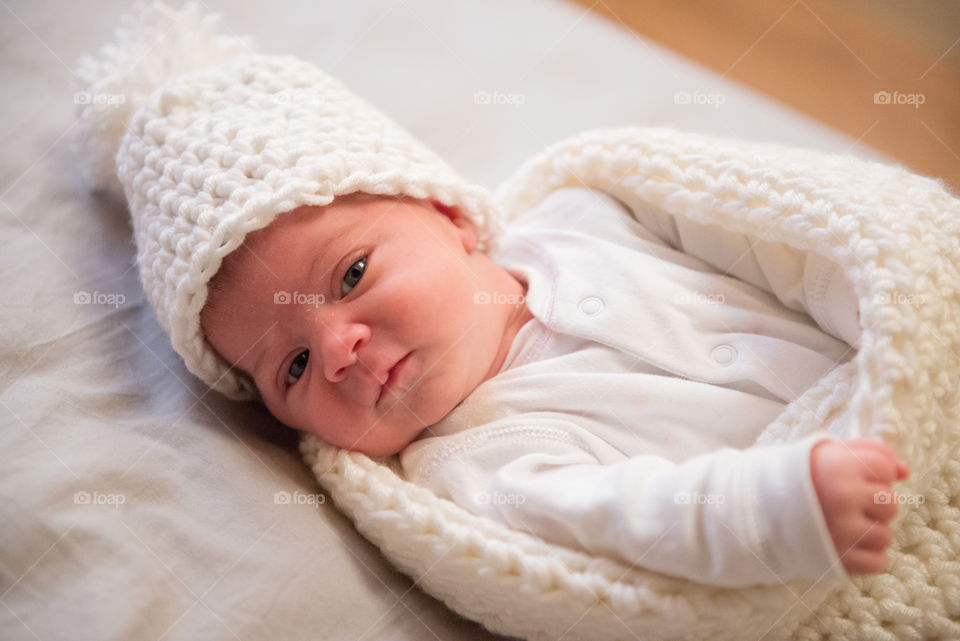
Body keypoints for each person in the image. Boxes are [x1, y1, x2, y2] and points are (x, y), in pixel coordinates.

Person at [73, 1, 909, 592]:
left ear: (449, 215)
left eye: (352, 275)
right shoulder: (470, 465)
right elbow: (625, 518)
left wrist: (893, 307)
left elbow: (787, 239)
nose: (335, 349)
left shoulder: (592, 212)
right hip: (855, 521)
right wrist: (777, 508)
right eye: (289, 366)